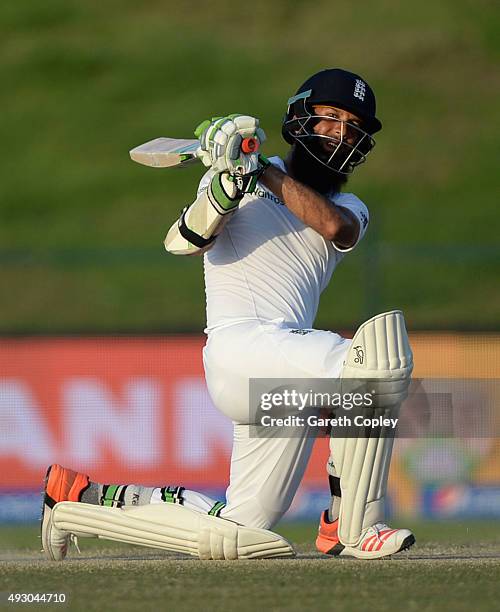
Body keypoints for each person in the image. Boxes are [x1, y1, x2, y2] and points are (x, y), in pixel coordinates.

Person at [42, 68, 414, 561]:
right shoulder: (235, 180)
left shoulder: (351, 206)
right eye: (329, 118)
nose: (341, 133)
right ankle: (351, 525)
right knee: (375, 361)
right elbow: (181, 242)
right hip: (241, 349)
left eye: (352, 125)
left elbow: (332, 226)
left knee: (240, 530)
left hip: (285, 375)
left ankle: (76, 502)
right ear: (300, 118)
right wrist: (226, 185)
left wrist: (258, 168)